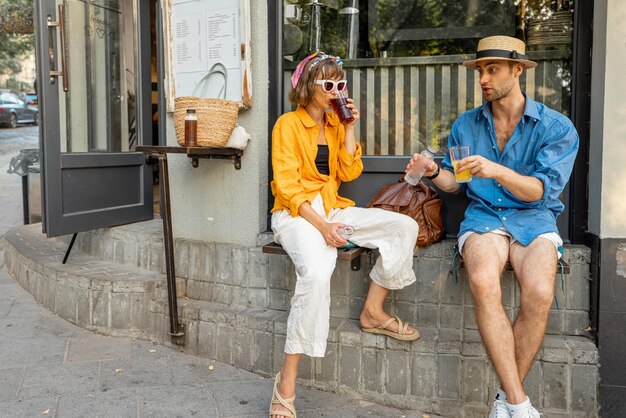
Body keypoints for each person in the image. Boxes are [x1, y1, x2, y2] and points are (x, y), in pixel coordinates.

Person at [407, 36, 579, 418]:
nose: (483, 78)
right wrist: (434, 171)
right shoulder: (466, 125)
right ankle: (518, 405)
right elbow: (458, 183)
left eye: (492, 69)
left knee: (538, 290)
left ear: (518, 70)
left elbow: (538, 191)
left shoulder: (556, 127)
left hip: (533, 217)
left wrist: (496, 168)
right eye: (480, 70)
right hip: (484, 216)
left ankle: (504, 398)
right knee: (483, 281)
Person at [269, 52, 420, 418]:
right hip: (296, 215)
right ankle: (285, 382)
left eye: (341, 84)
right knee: (317, 274)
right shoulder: (286, 125)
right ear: (309, 87)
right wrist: (323, 228)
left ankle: (372, 311)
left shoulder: (336, 125)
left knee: (404, 226)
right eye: (329, 84)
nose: (337, 90)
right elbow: (288, 189)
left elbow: (350, 172)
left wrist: (350, 125)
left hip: (331, 206)